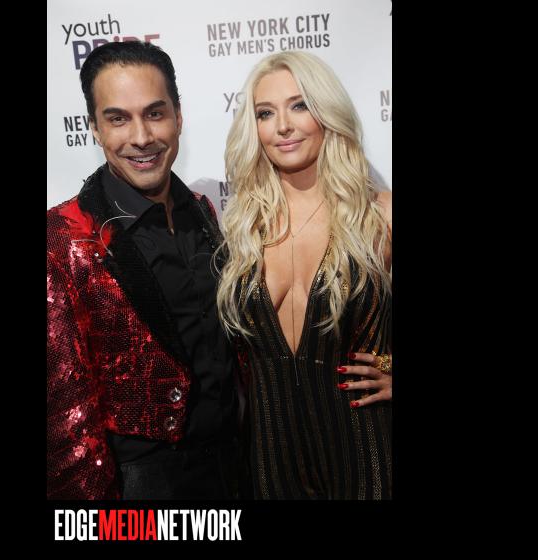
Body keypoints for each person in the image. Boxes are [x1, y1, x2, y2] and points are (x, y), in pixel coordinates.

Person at [47, 41, 241, 500]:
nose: (141, 137)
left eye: (155, 113)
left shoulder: (203, 212)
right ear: (94, 129)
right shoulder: (63, 238)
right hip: (143, 489)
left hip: (237, 468)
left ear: (178, 116)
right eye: (118, 119)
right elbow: (64, 418)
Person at [216, 51, 392, 499]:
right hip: (271, 457)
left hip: (365, 449)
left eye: (299, 105)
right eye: (265, 113)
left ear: (327, 112)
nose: (283, 126)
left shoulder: (379, 217)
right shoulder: (242, 228)